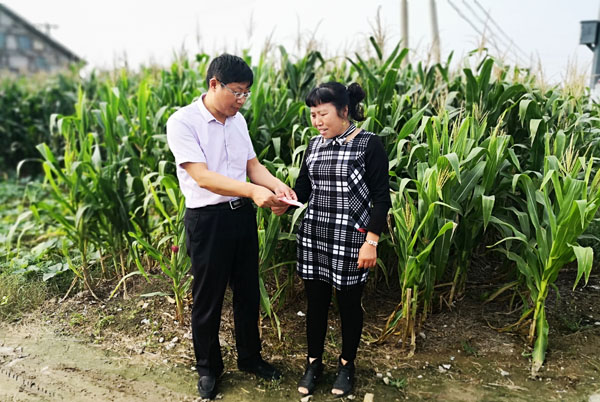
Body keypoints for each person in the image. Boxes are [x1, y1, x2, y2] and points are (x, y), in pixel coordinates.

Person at [166, 54, 294, 400]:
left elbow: (253, 166)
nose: (241, 100)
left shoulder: (238, 121)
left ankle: (250, 358)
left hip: (241, 216)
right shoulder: (183, 122)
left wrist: (277, 187)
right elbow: (203, 177)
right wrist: (253, 191)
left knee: (248, 291)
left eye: (246, 93)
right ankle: (208, 368)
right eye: (236, 92)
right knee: (208, 298)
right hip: (207, 220)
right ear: (214, 84)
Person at [272, 81, 391, 397]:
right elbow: (304, 190)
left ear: (344, 110)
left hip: (352, 239)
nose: (317, 122)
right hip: (315, 236)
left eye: (323, 114)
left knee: (349, 305)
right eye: (313, 115)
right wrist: (284, 201)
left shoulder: (368, 144)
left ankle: (346, 365)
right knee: (316, 304)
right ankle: (313, 363)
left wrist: (372, 242)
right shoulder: (314, 145)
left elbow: (381, 198)